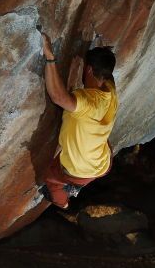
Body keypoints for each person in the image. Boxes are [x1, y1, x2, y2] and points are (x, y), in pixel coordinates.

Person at [38, 30, 119, 209]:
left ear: (89, 69)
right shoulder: (110, 91)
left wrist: (50, 57)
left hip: (80, 170)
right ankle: (77, 186)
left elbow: (59, 97)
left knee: (52, 181)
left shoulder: (88, 102)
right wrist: (103, 51)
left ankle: (64, 204)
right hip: (102, 163)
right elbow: (107, 71)